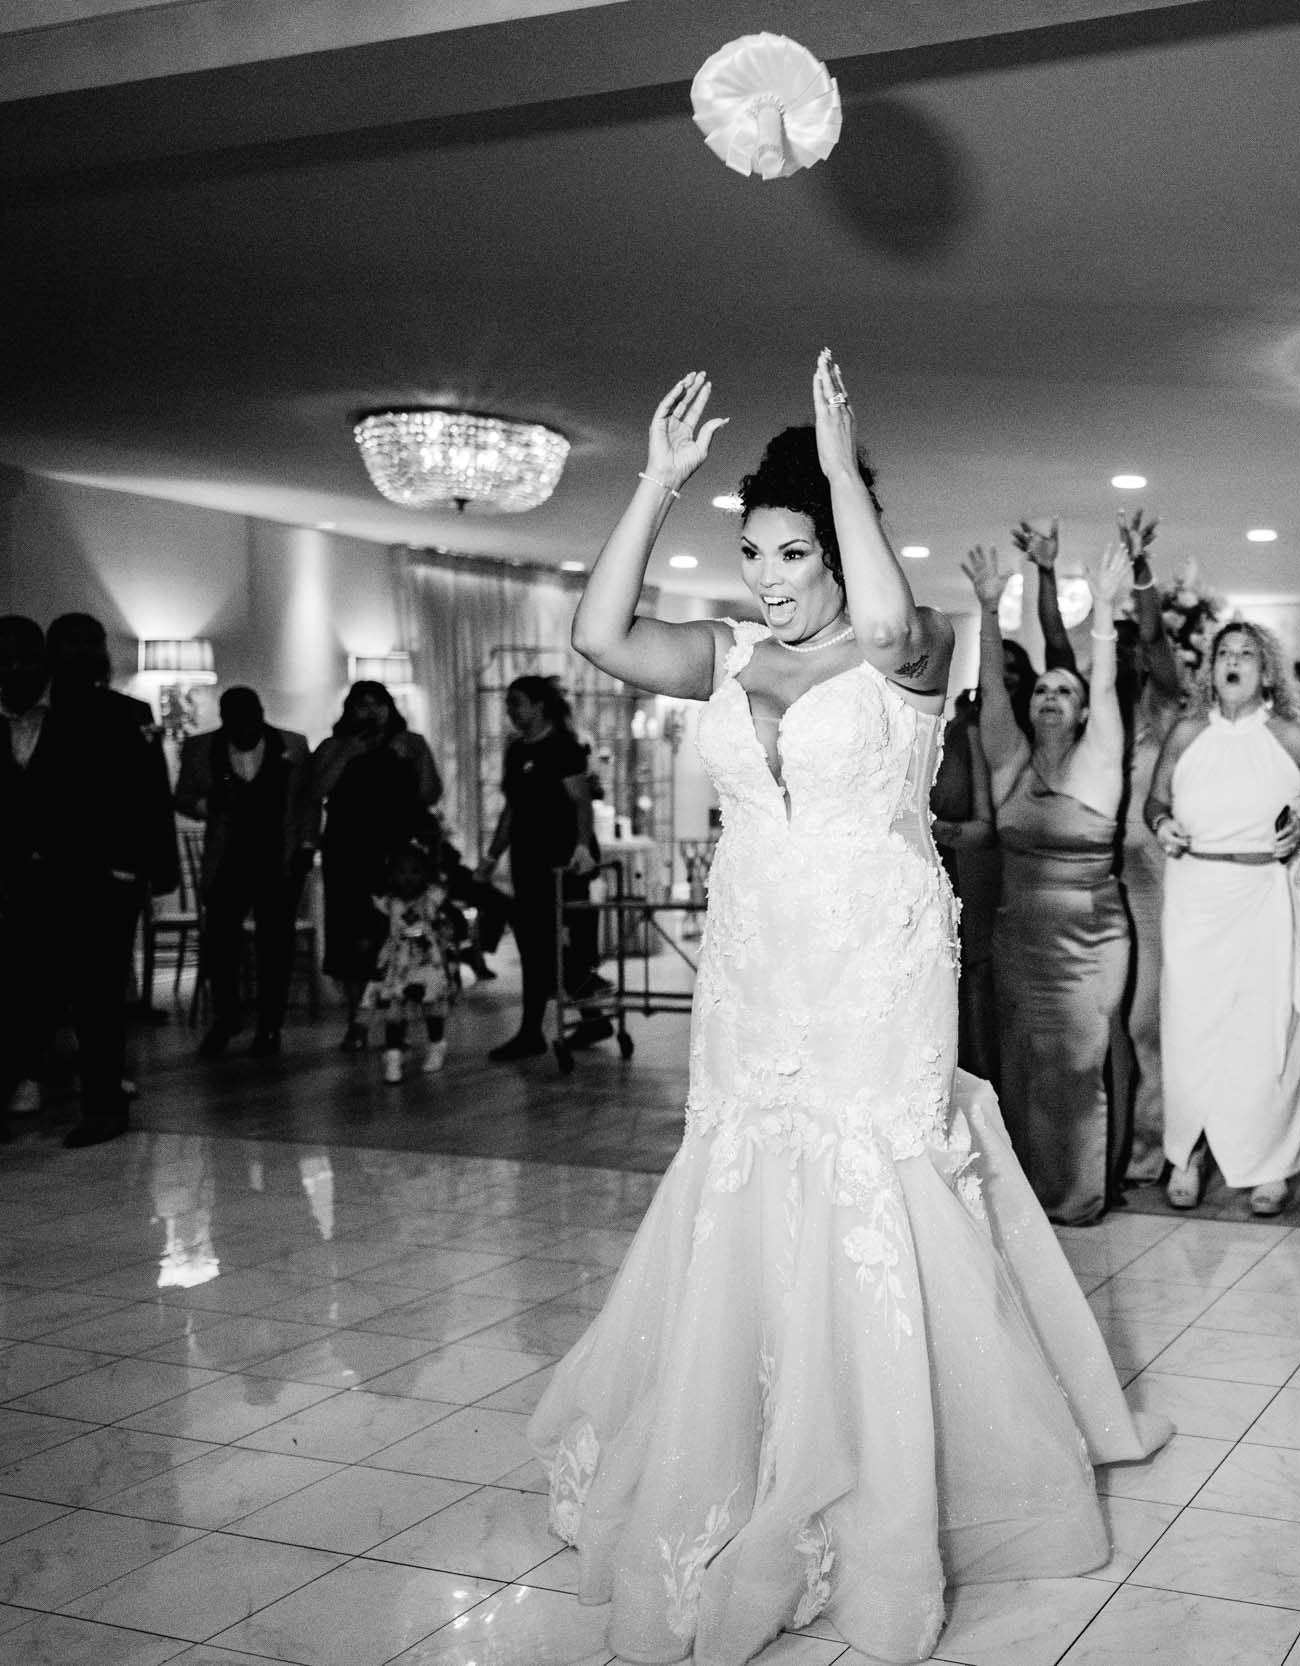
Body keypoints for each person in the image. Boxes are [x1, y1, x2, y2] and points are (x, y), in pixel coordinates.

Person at [529, 361, 1166, 1666]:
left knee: (872, 1178)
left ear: (838, 540)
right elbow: (598, 636)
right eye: (751, 550)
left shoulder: (918, 645)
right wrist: (652, 484)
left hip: (878, 957)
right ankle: (750, 1454)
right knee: (752, 1175)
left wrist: (836, 467)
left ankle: (883, 1503)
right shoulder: (722, 654)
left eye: (793, 549)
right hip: (759, 961)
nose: (767, 575)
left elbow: (880, 630)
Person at [0, 614, 175, 1155]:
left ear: (44, 656)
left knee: (97, 1001)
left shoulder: (106, 713)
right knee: (11, 1006)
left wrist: (132, 873)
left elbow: (143, 796)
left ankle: (103, 1109)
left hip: (94, 883)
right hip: (18, 888)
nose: (14, 669)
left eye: (25, 658)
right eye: (2, 661)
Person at [962, 538, 1134, 1226]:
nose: (1052, 696)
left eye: (1066, 689)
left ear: (1084, 708)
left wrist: (1103, 612)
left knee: (1079, 1063)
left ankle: (1082, 1192)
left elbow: (1107, 682)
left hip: (1092, 938)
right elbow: (994, 689)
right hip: (1019, 937)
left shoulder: (1100, 763)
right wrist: (985, 607)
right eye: (1044, 689)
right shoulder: (1008, 763)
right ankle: (1028, 1192)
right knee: (1023, 1060)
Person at [1018, 513, 1180, 1189]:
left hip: (1150, 877)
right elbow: (1058, 647)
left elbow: (1156, 645)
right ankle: (1108, 1146)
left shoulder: (1163, 712)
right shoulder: (1092, 720)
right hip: (1094, 877)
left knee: (1146, 1019)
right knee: (1101, 1028)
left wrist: (1139, 577)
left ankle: (1154, 1142)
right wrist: (1047, 572)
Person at [1144, 621, 1300, 1216]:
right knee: (1192, 1030)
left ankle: (1271, 1163)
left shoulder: (1294, 737)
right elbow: (1156, 800)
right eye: (1225, 652)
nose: (1234, 662)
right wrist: (1161, 824)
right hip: (1196, 894)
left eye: (1247, 654)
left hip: (1270, 896)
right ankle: (1188, 1155)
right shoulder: (1187, 731)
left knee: (1267, 1033)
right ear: (1211, 667)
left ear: (1267, 670)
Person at [174, 686, 315, 1059]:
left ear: (261, 710)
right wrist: (207, 804)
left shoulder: (294, 745)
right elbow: (183, 796)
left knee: (276, 947)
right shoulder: (200, 748)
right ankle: (226, 1017)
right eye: (232, 715)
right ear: (222, 717)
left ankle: (270, 1026)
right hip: (227, 859)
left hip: (277, 857)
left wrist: (306, 846)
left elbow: (307, 801)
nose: (241, 722)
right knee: (219, 944)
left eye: (248, 713)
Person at [478, 674, 612, 1060]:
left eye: (516, 703)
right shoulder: (516, 751)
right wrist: (491, 856)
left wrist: (583, 846)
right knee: (534, 943)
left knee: (551, 942)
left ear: (539, 705)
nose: (511, 711)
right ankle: (581, 1017)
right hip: (528, 859)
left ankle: (541, 1027)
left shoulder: (563, 747)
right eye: (508, 704)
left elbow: (581, 802)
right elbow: (512, 809)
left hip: (563, 861)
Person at [307, 680, 441, 1050]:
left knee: (399, 935)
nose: (371, 713)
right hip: (348, 851)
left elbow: (430, 793)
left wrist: (416, 757)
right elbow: (315, 792)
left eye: (378, 704)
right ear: (349, 710)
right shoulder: (334, 746)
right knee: (350, 937)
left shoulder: (410, 744)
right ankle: (357, 1020)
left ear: (389, 708)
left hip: (398, 853)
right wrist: (347, 754)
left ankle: (398, 1020)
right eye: (362, 705)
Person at [930, 687, 999, 1082]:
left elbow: (982, 828)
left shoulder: (964, 734)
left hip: (963, 877)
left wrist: (927, 827)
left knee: (969, 988)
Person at [360, 841, 454, 1082]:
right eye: (401, 872)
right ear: (392, 875)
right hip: (397, 962)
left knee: (432, 1005)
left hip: (426, 961)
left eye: (415, 871)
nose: (408, 878)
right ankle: (393, 1054)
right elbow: (379, 926)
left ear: (425, 873)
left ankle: (436, 1045)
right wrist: (369, 941)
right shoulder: (389, 902)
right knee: (395, 1007)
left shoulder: (430, 899)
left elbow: (448, 918)